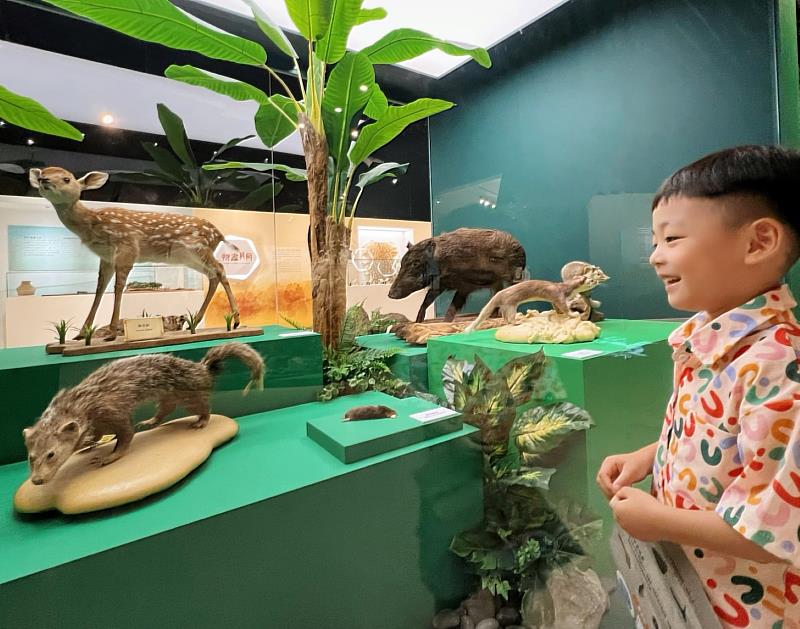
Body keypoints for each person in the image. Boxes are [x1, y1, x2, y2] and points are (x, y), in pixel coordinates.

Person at [597, 145, 800, 628]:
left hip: (744, 609)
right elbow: (725, 438)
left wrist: (659, 521)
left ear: (758, 242)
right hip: (690, 588)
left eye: (672, 238)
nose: (654, 257)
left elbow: (773, 532)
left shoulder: (778, 366)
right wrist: (652, 454)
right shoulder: (709, 341)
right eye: (655, 240)